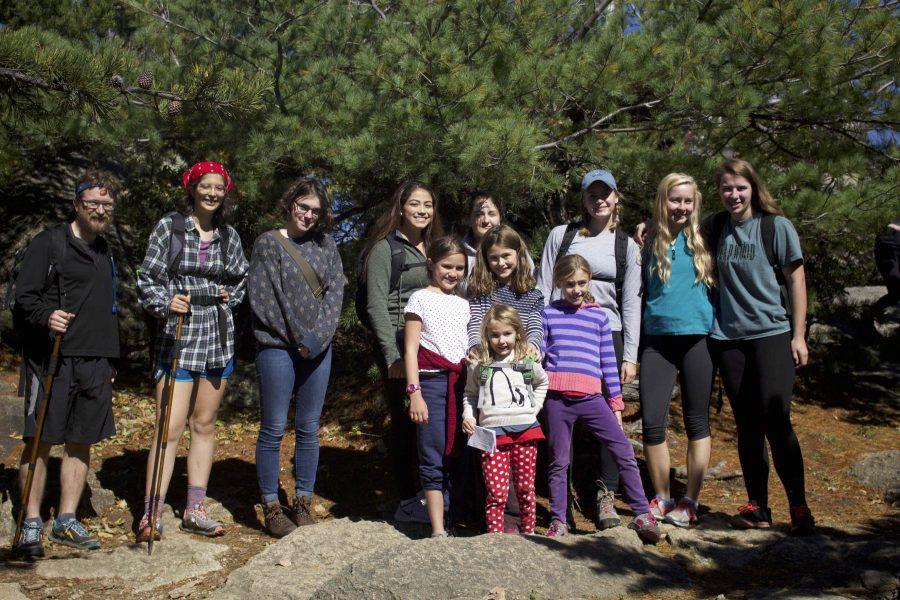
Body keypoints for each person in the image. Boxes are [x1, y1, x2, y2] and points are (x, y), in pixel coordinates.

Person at [136, 161, 248, 541]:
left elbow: (240, 280)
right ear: (192, 188)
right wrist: (168, 301)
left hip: (217, 335)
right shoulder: (171, 227)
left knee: (204, 424)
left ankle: (195, 509)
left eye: (219, 187)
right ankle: (151, 511)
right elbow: (148, 278)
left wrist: (227, 296)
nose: (213, 193)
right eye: (206, 186)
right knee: (168, 426)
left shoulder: (230, 236)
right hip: (178, 333)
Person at [13, 169, 121, 556]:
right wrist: (48, 316)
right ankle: (30, 521)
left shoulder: (105, 250)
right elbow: (23, 296)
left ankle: (66, 520)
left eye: (106, 204)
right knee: (39, 441)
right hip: (51, 360)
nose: (100, 209)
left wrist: (109, 362)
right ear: (76, 204)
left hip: (94, 361)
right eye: (92, 202)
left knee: (80, 441)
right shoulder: (50, 243)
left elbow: (107, 310)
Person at [706, 158, 815, 535]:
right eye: (726, 189)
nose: (733, 195)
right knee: (747, 425)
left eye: (740, 188)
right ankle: (759, 506)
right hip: (728, 339)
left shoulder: (776, 227)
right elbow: (678, 235)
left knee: (776, 419)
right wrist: (646, 228)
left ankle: (798, 506)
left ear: (753, 187)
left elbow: (796, 281)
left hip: (771, 333)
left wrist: (798, 335)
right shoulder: (715, 226)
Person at [536, 168, 641, 529]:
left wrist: (629, 353)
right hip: (562, 331)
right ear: (583, 199)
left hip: (607, 332)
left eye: (606, 193)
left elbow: (631, 302)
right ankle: (561, 507)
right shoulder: (561, 236)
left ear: (616, 198)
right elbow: (543, 286)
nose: (599, 199)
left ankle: (605, 497)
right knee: (561, 426)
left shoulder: (624, 245)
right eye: (592, 194)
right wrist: (541, 338)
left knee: (609, 420)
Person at [248, 176, 345, 538]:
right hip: (277, 347)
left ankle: (302, 501)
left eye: (315, 211)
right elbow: (264, 300)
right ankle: (271, 505)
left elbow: (335, 294)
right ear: (290, 204)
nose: (308, 215)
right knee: (273, 427)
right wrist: (299, 339)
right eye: (303, 207)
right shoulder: (268, 244)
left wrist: (317, 339)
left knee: (309, 427)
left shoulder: (327, 246)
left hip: (317, 350)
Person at [541, 255, 659, 543]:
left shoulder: (599, 317)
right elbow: (540, 356)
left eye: (582, 283)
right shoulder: (548, 314)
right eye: (569, 284)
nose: (577, 290)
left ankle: (642, 512)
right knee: (558, 460)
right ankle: (559, 519)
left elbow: (608, 361)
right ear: (558, 283)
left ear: (589, 281)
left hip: (592, 398)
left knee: (623, 449)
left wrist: (616, 403)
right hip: (557, 399)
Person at [360, 181, 443, 522]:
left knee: (431, 420)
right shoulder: (385, 249)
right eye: (415, 204)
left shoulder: (435, 247)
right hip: (397, 345)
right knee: (406, 422)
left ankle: (433, 493)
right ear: (401, 207)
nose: (422, 210)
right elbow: (376, 304)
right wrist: (390, 355)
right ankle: (408, 498)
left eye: (428, 204)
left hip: (432, 344)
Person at [639, 173, 715, 527]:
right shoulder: (646, 240)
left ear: (695, 203)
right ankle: (663, 498)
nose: (681, 207)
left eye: (687, 201)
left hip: (697, 339)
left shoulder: (706, 238)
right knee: (653, 423)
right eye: (675, 200)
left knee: (696, 421)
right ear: (662, 201)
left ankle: (691, 501)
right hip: (657, 341)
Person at [403, 236, 470, 537]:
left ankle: (454, 520)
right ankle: (438, 529)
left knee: (458, 454)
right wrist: (414, 393)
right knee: (432, 454)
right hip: (430, 383)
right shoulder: (419, 298)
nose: (452, 273)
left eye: (459, 268)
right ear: (431, 264)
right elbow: (410, 350)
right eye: (446, 266)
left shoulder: (464, 304)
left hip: (461, 385)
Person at [461, 305, 548, 534]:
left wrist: (534, 408)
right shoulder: (480, 366)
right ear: (487, 336)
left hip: (526, 431)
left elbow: (542, 382)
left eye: (507, 334)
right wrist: (468, 416)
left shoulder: (525, 361)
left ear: (518, 333)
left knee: (526, 489)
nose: (501, 340)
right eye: (495, 335)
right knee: (496, 493)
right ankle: (495, 539)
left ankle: (529, 534)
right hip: (491, 435)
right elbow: (470, 394)